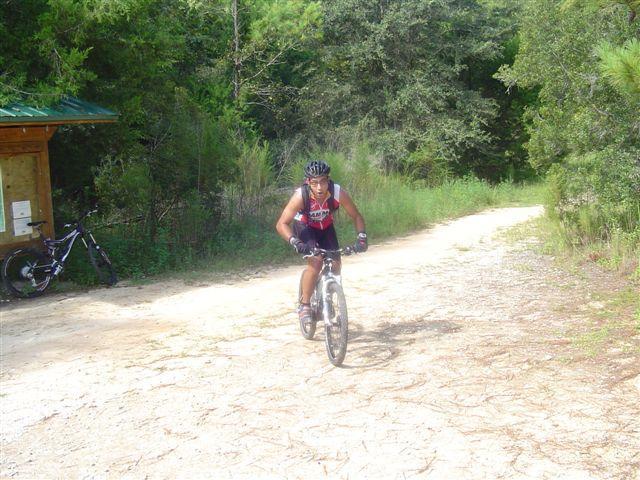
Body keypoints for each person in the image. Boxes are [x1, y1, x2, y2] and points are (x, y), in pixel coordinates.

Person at [275, 160, 368, 325]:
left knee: (336, 264)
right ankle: (304, 305)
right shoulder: (300, 196)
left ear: (328, 180)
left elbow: (356, 216)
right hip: (305, 227)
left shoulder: (337, 192)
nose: (319, 187)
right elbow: (281, 224)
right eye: (315, 182)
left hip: (325, 227)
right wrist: (295, 241)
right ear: (308, 182)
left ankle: (327, 292)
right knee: (316, 261)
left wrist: (361, 236)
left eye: (323, 181)